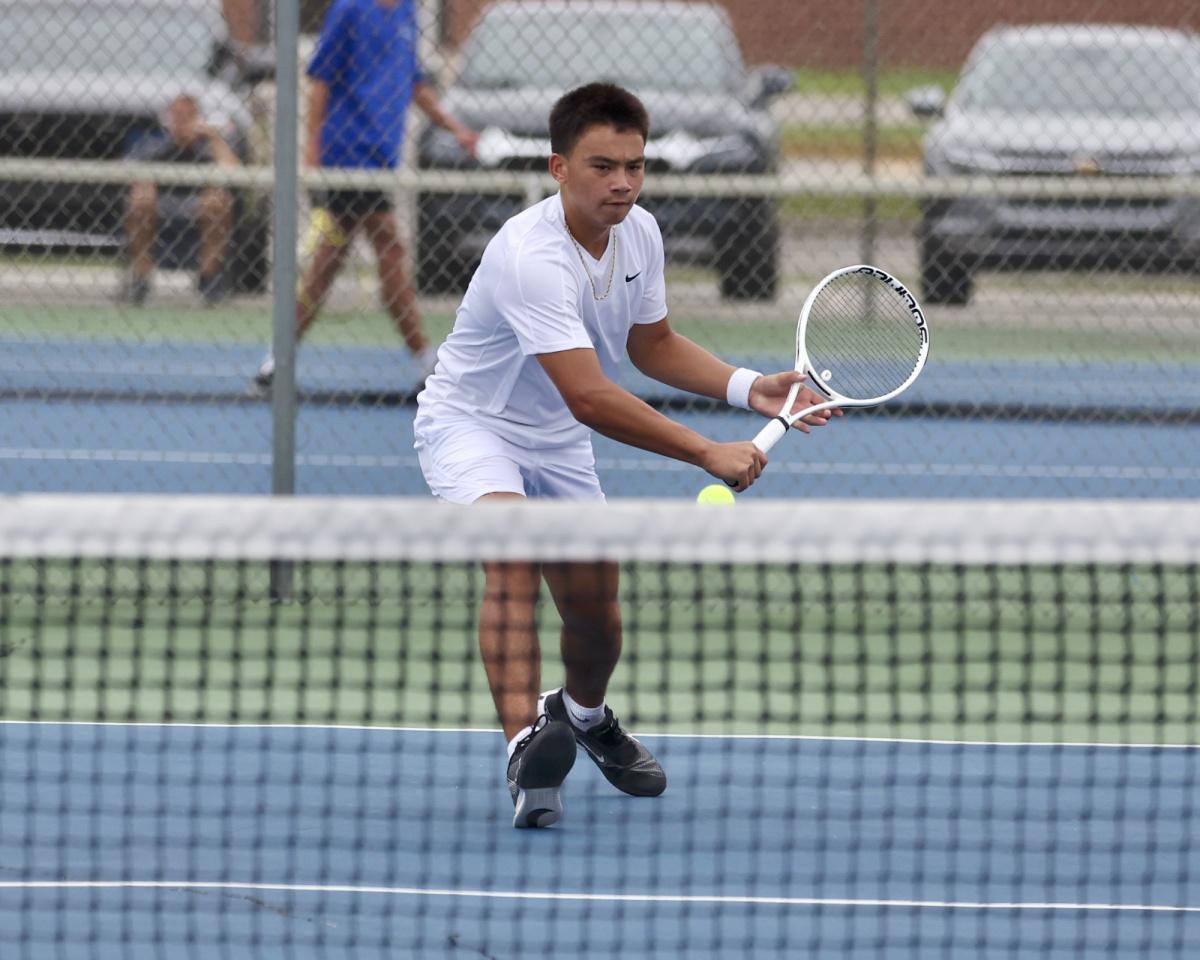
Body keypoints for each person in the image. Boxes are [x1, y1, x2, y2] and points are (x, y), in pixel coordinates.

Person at [414, 83, 841, 829]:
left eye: (635, 167)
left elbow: (653, 346)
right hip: (472, 423)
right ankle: (525, 744)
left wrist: (751, 391)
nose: (621, 182)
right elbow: (590, 394)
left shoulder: (639, 233)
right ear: (557, 168)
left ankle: (581, 715)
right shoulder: (530, 256)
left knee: (596, 609)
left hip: (555, 436)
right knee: (510, 551)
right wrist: (707, 449)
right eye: (602, 165)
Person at [254, 0, 478, 390]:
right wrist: (312, 150)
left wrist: (453, 127)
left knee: (330, 262)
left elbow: (413, 83)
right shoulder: (350, 9)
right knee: (387, 248)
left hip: (381, 156)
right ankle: (427, 363)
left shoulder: (408, 12)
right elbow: (321, 79)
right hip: (348, 150)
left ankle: (277, 362)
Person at [121, 93, 241, 307]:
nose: (183, 121)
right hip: (161, 202)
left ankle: (208, 277)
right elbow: (129, 171)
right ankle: (142, 277)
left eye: (189, 116)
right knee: (140, 199)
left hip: (198, 203)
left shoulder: (210, 144)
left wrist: (213, 137)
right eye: (177, 115)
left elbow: (235, 171)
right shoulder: (153, 141)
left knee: (217, 201)